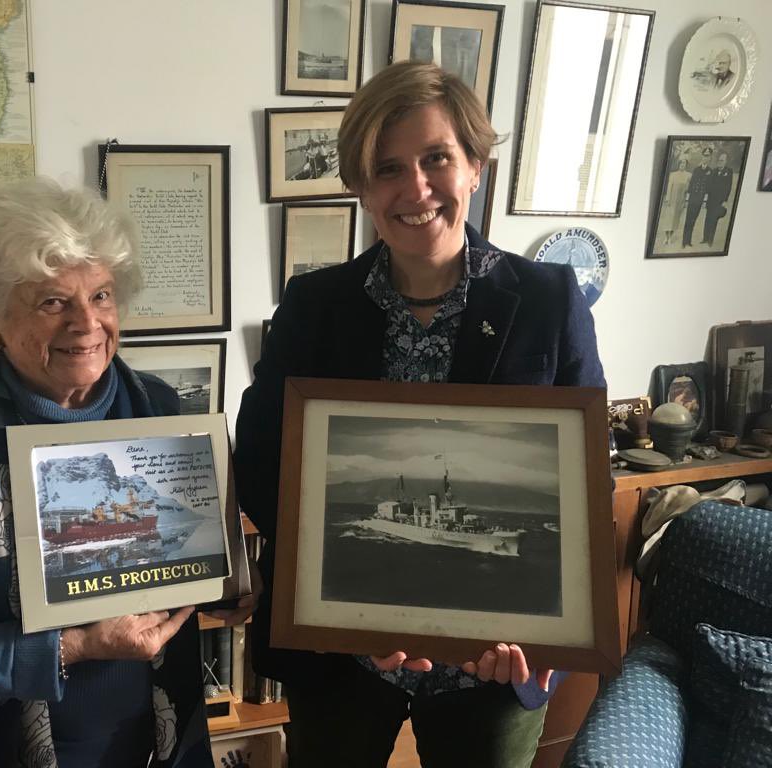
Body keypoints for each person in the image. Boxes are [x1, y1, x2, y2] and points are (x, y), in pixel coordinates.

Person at [234, 61, 605, 768]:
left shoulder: (552, 301)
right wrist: (337, 604)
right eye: (387, 169)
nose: (417, 189)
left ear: (474, 165)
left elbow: (582, 483)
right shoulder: (314, 306)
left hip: (495, 663)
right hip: (342, 655)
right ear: (361, 187)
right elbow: (260, 468)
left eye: (437, 158)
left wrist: (539, 635)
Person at [0, 178, 252, 767]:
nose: (86, 323)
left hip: (161, 745)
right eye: (52, 301)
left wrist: (236, 587)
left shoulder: (164, 411)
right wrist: (76, 647)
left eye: (101, 295)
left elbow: (202, 578)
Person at [683, 147, 713, 248]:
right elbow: (691, 185)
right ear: (702, 156)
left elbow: (708, 188)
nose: (705, 158)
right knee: (688, 220)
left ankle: (689, 241)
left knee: (693, 220)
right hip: (692, 198)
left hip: (700, 199)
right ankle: (684, 241)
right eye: (704, 155)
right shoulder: (696, 169)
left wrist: (704, 201)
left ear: (710, 158)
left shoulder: (710, 171)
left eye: (708, 156)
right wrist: (687, 199)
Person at [702, 151, 733, 245]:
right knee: (707, 219)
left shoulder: (728, 172)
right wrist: (706, 199)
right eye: (719, 160)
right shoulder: (714, 171)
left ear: (726, 161)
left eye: (722, 160)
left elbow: (728, 187)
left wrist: (724, 200)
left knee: (714, 220)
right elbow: (709, 186)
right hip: (711, 200)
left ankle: (710, 240)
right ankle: (705, 239)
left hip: (719, 201)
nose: (720, 162)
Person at [662, 157, 691, 246]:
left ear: (686, 165)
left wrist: (685, 201)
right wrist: (668, 199)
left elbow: (688, 189)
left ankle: (670, 237)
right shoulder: (673, 174)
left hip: (680, 200)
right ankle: (666, 237)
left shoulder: (689, 175)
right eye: (681, 163)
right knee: (668, 219)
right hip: (672, 199)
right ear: (679, 164)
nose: (682, 165)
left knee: (675, 219)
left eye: (684, 164)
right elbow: (669, 187)